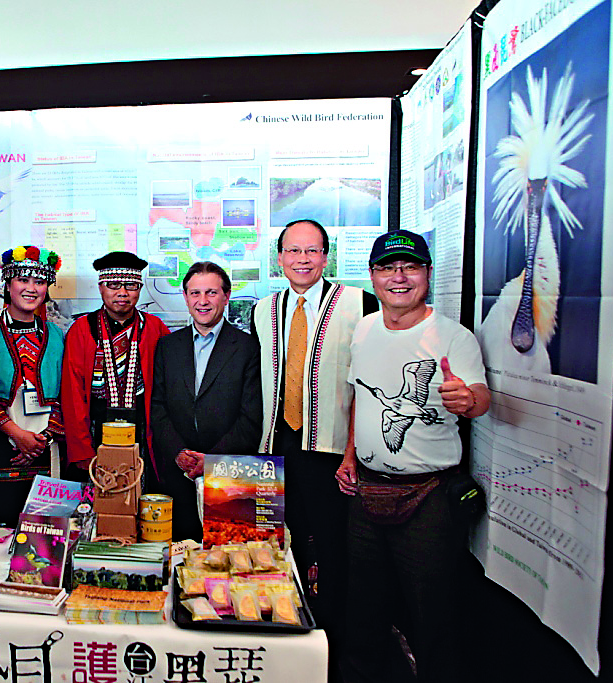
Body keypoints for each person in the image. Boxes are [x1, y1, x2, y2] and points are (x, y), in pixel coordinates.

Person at [335, 230, 489, 683]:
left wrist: (468, 401)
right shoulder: (364, 328)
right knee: (362, 609)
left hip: (428, 498)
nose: (398, 278)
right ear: (372, 276)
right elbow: (361, 397)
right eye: (387, 268)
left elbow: (478, 398)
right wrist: (349, 456)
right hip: (365, 492)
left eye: (410, 267)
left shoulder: (452, 337)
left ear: (427, 274)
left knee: (432, 615)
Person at [251, 219, 378, 648]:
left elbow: (370, 383)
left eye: (311, 251)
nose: (302, 259)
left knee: (333, 546)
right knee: (283, 542)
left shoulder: (360, 303)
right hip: (278, 446)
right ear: (279, 257)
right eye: (292, 251)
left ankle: (332, 638)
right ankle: (290, 629)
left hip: (331, 450)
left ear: (326, 256)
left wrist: (351, 453)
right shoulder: (263, 310)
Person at [151, 262, 262, 541]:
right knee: (180, 562)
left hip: (231, 476)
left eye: (211, 293)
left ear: (226, 296)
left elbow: (252, 416)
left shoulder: (249, 348)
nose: (203, 301)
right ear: (186, 297)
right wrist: (179, 453)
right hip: (178, 475)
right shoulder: (167, 347)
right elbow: (158, 407)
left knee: (229, 564)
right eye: (195, 293)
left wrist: (212, 461)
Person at [0, 245, 66, 525]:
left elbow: (65, 391)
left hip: (45, 446)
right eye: (23, 280)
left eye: (40, 281)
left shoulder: (56, 334)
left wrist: (42, 440)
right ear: (8, 284)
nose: (31, 288)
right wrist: (15, 434)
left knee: (44, 530)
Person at [60, 251, 169, 486]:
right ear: (101, 287)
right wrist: (81, 450)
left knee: (142, 495)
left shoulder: (154, 328)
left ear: (139, 289)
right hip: (96, 429)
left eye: (130, 285)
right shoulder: (82, 329)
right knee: (100, 500)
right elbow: (72, 394)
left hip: (143, 429)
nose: (122, 293)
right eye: (113, 285)